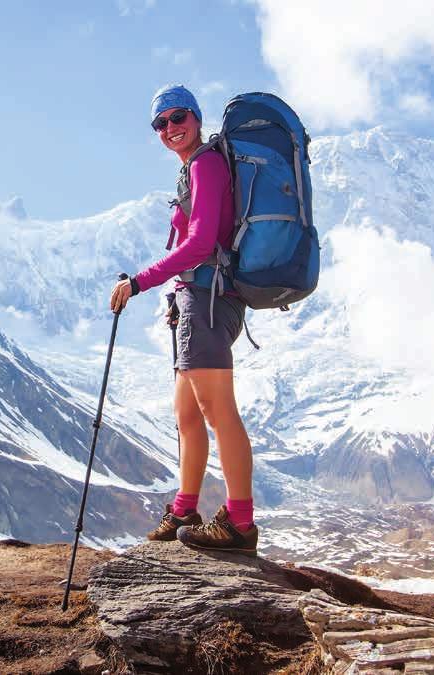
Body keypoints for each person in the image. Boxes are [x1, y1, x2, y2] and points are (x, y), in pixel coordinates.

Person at [108, 84, 257, 555]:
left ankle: (239, 523)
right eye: (162, 123)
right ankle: (184, 510)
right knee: (188, 416)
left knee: (218, 412)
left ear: (196, 117)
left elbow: (198, 244)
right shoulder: (192, 169)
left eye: (179, 118)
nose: (171, 128)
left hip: (208, 299)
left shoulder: (207, 164)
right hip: (195, 300)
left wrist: (139, 282)